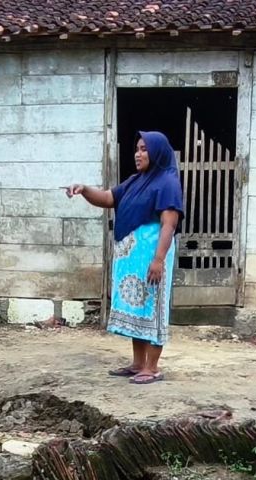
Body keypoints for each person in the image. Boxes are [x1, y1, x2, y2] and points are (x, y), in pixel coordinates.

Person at [66, 131, 184, 385]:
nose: (138, 154)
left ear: (158, 152)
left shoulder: (167, 182)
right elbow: (108, 198)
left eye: (144, 149)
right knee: (137, 309)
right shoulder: (135, 181)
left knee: (153, 309)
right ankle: (138, 363)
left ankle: (152, 368)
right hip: (133, 262)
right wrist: (84, 190)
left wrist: (158, 260)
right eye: (137, 148)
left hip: (152, 258)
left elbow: (168, 224)